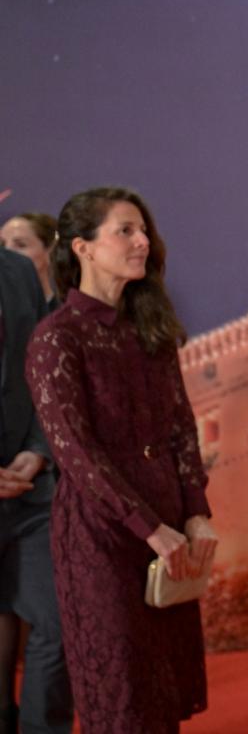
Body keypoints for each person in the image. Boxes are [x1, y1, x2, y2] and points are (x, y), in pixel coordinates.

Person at [24, 188, 216, 733]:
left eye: (143, 230)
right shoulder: (55, 339)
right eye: (125, 231)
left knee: (163, 689)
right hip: (101, 536)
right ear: (82, 247)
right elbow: (76, 453)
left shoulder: (150, 328)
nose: (142, 242)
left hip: (169, 523)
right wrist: (149, 527)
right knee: (122, 697)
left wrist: (195, 512)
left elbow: (180, 427)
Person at [0, 249, 70, 734]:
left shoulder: (19, 270)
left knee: (60, 621)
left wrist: (40, 449)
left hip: (30, 493)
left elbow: (39, 373)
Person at [1, 215, 59, 310]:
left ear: (51, 251)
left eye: (21, 245)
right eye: (2, 245)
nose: (6, 253)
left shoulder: (69, 315)